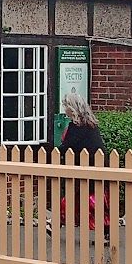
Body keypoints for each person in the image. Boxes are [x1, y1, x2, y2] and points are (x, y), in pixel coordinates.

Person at [52, 93, 109, 232]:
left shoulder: (76, 127)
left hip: (85, 167)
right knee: (94, 198)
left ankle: (56, 223)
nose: (64, 109)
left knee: (78, 197)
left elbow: (67, 146)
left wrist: (53, 152)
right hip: (98, 164)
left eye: (66, 106)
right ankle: (105, 232)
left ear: (72, 108)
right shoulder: (91, 124)